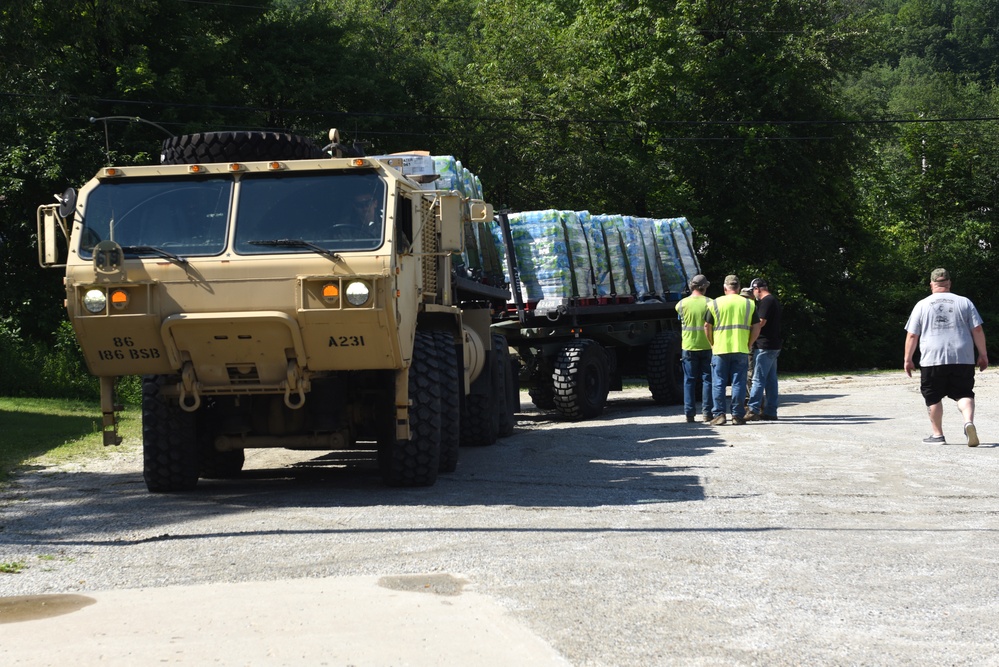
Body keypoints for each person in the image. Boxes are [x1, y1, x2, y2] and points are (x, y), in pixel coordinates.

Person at [904, 268, 988, 446]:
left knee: (933, 396)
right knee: (964, 393)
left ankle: (938, 435)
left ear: (931, 284)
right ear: (949, 283)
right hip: (962, 357)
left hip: (932, 358)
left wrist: (908, 359)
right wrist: (983, 355)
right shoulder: (965, 302)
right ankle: (968, 422)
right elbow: (977, 329)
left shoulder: (922, 304)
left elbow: (912, 335)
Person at [704, 275, 761, 426]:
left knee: (718, 383)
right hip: (741, 348)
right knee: (739, 383)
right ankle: (737, 415)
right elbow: (756, 327)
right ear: (738, 287)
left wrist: (712, 343)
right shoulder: (749, 304)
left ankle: (719, 415)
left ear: (725, 288)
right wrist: (749, 343)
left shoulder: (715, 303)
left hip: (720, 349)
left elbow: (707, 326)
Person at [675, 275, 714, 422]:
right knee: (707, 380)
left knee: (689, 380)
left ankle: (689, 414)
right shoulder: (710, 303)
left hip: (688, 346)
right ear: (703, 287)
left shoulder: (681, 304)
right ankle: (707, 413)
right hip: (707, 345)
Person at [746, 278, 782, 421]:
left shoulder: (766, 301)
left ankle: (753, 409)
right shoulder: (774, 300)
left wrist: (747, 331)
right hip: (774, 345)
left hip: (764, 346)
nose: (753, 293)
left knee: (758, 379)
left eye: (753, 290)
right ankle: (771, 411)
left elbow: (760, 322)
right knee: (771, 380)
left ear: (757, 288)